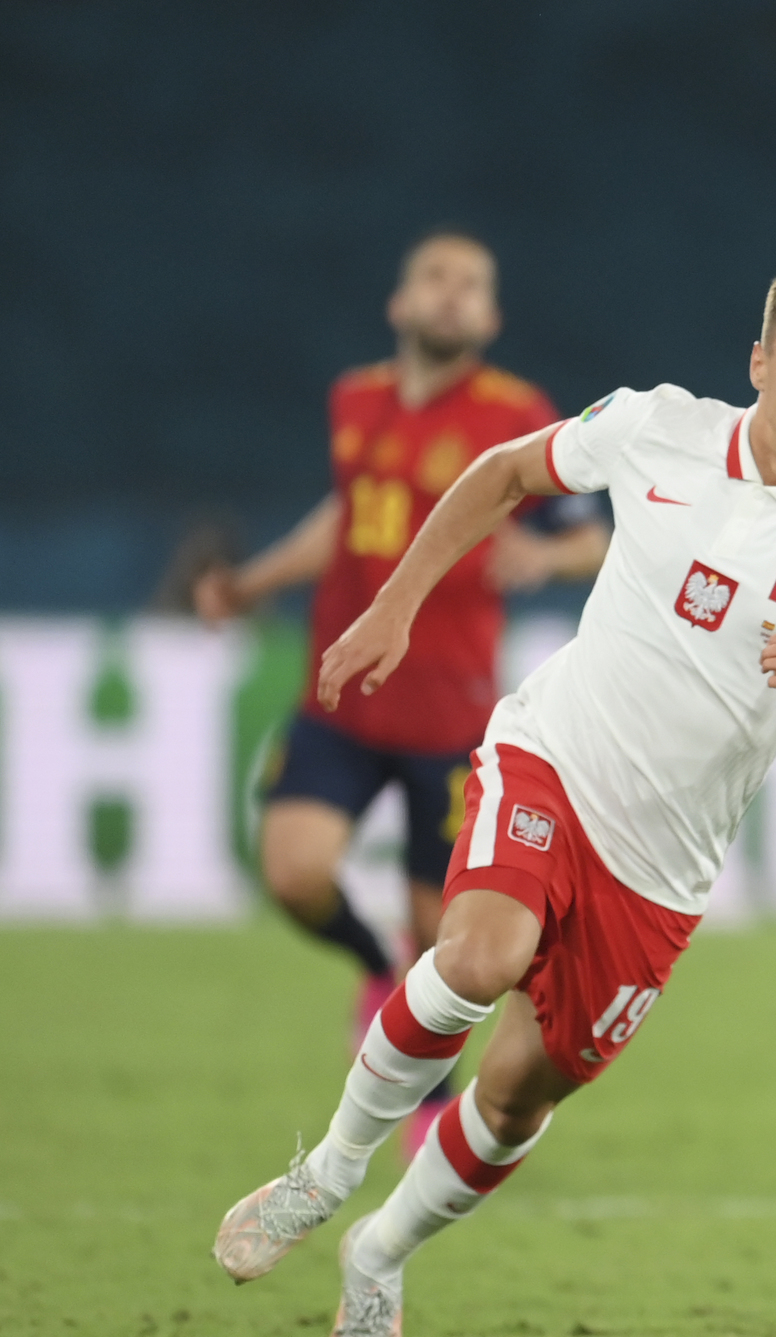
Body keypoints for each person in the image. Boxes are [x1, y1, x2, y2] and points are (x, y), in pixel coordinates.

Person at [211, 265, 776, 1337]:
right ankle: (329, 1171)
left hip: (664, 869)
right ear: (760, 364)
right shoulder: (656, 428)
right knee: (480, 953)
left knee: (513, 1095)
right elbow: (502, 475)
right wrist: (395, 602)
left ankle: (380, 1254)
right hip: (551, 758)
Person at [195, 229, 610, 1151]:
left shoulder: (517, 411)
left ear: (491, 317)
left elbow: (596, 538)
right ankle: (369, 962)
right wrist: (253, 584)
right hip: (341, 699)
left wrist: (543, 553)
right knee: (294, 871)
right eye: (437, 278)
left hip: (449, 720)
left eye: (472, 284)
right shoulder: (355, 400)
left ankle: (427, 1101)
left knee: (448, 940)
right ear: (402, 303)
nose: (453, 295)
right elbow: (346, 519)